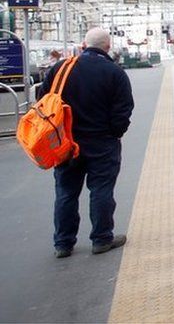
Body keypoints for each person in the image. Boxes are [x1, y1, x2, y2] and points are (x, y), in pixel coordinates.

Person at [37, 27, 134, 258]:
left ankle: (63, 244)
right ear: (108, 47)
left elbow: (42, 100)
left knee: (66, 192)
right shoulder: (114, 72)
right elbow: (123, 109)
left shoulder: (60, 69)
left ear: (83, 45)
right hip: (101, 142)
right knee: (101, 189)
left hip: (65, 143)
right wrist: (115, 133)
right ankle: (101, 239)